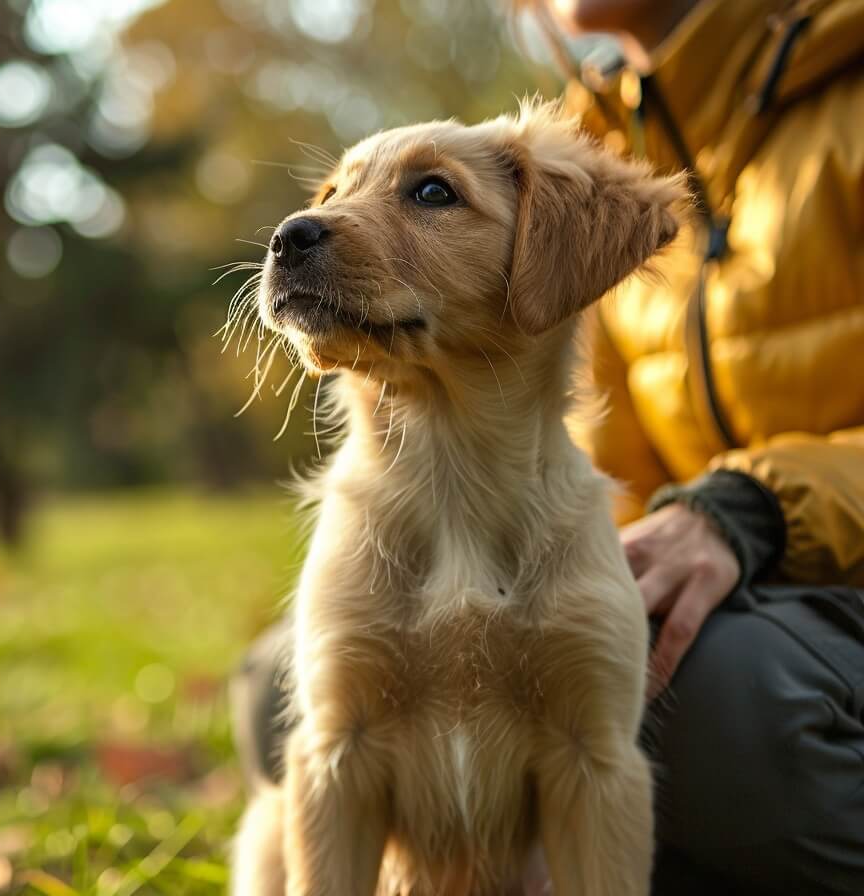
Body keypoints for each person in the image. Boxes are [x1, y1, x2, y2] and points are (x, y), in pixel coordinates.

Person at [230, 0, 864, 892]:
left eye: (431, 195)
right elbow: (617, 454)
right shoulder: (606, 131)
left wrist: (749, 508)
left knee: (718, 703)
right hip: (695, 569)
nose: (313, 228)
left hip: (831, 584)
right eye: (332, 197)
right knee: (277, 690)